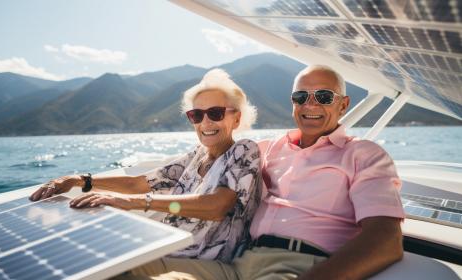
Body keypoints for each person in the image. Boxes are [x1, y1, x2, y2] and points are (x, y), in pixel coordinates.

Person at [126, 65, 405, 280]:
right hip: (236, 265)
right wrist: (88, 183)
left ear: (343, 104)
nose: (310, 105)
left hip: (297, 267)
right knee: (126, 268)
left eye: (323, 96)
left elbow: (386, 239)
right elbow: (205, 159)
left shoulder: (364, 155)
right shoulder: (265, 149)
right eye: (300, 97)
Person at [29, 68, 261, 263]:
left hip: (207, 263)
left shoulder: (243, 151)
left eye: (216, 113)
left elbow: (216, 206)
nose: (205, 122)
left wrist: (133, 203)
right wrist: (79, 180)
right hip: (167, 250)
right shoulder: (197, 155)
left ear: (237, 119)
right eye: (196, 115)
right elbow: (138, 182)